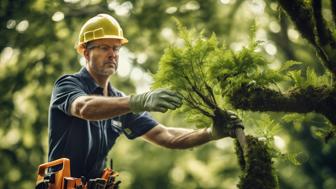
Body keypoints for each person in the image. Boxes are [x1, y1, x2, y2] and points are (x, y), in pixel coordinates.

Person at [48, 13, 243, 180]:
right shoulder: (68, 85)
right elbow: (84, 108)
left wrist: (210, 133)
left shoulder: (119, 101)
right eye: (103, 47)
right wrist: (138, 101)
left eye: (116, 48)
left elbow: (167, 136)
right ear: (85, 52)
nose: (112, 54)